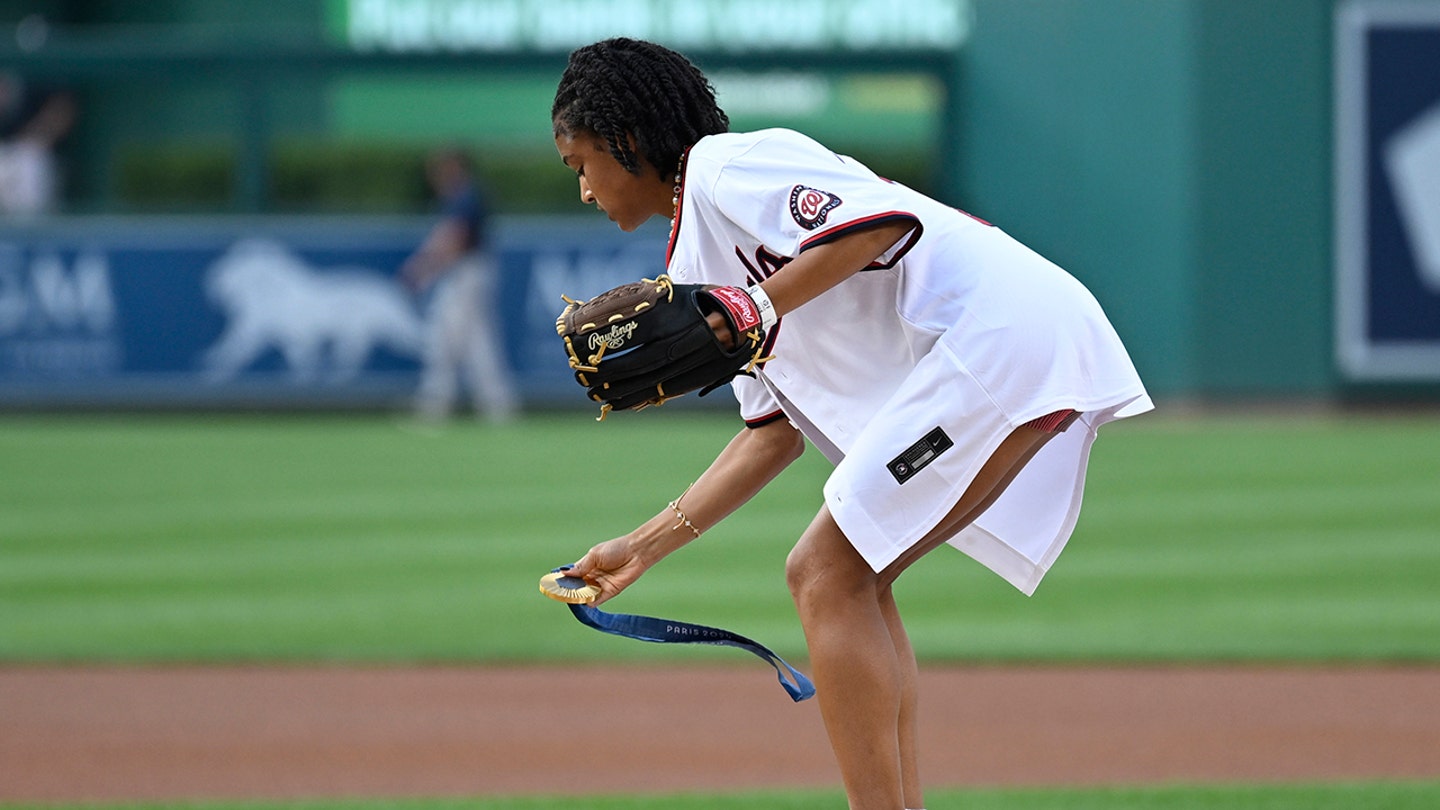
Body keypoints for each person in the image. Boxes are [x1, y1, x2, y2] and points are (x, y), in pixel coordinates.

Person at [551, 38, 1152, 810]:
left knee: (825, 574)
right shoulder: (695, 267)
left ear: (626, 141)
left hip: (1000, 332)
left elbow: (876, 225)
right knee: (854, 577)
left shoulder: (730, 166)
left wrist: (757, 303)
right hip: (993, 348)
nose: (585, 191)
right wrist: (640, 547)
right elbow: (773, 433)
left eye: (581, 164)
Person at [400, 147, 519, 423]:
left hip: (468, 273)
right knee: (478, 343)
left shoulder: (466, 195)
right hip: (468, 273)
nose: (436, 176)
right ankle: (498, 407)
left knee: (446, 340)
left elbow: (455, 240)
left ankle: (436, 405)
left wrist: (423, 269)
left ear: (455, 167)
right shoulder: (460, 196)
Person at [0, 72, 76, 217]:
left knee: (30, 161)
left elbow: (63, 107)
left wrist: (33, 139)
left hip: (28, 148)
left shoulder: (38, 67)